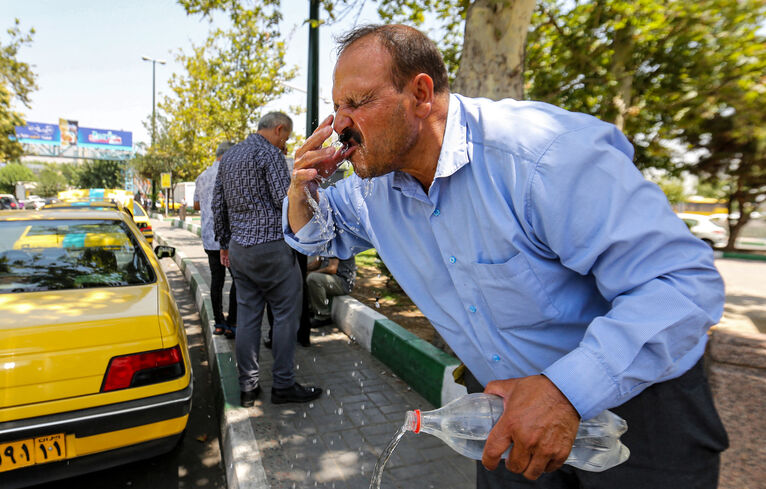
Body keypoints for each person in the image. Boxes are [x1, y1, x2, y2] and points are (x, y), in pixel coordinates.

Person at [284, 24, 727, 488]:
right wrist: (303, 191)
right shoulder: (375, 191)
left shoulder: (540, 155)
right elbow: (319, 237)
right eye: (336, 107)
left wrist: (565, 392)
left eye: (356, 103)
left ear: (420, 93)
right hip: (504, 415)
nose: (339, 124)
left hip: (636, 411)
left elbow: (682, 285)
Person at [213, 111, 322, 408]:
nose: (285, 144)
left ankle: (248, 388)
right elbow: (283, 199)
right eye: (285, 138)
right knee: (286, 315)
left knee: (248, 318)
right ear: (278, 129)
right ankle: (284, 385)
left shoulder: (231, 156)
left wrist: (225, 243)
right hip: (272, 249)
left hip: (240, 250)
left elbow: (217, 204)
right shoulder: (270, 154)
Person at [194, 141, 237, 338]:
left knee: (216, 280)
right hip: (229, 239)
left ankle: (219, 323)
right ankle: (232, 322)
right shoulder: (232, 174)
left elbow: (195, 205)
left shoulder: (202, 176)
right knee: (238, 279)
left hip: (210, 239)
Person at [305, 255, 356, 327]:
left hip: (342, 282)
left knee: (312, 278)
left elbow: (332, 269)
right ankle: (311, 310)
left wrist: (312, 273)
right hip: (332, 278)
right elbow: (316, 263)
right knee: (305, 275)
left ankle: (323, 316)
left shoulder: (336, 245)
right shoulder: (324, 245)